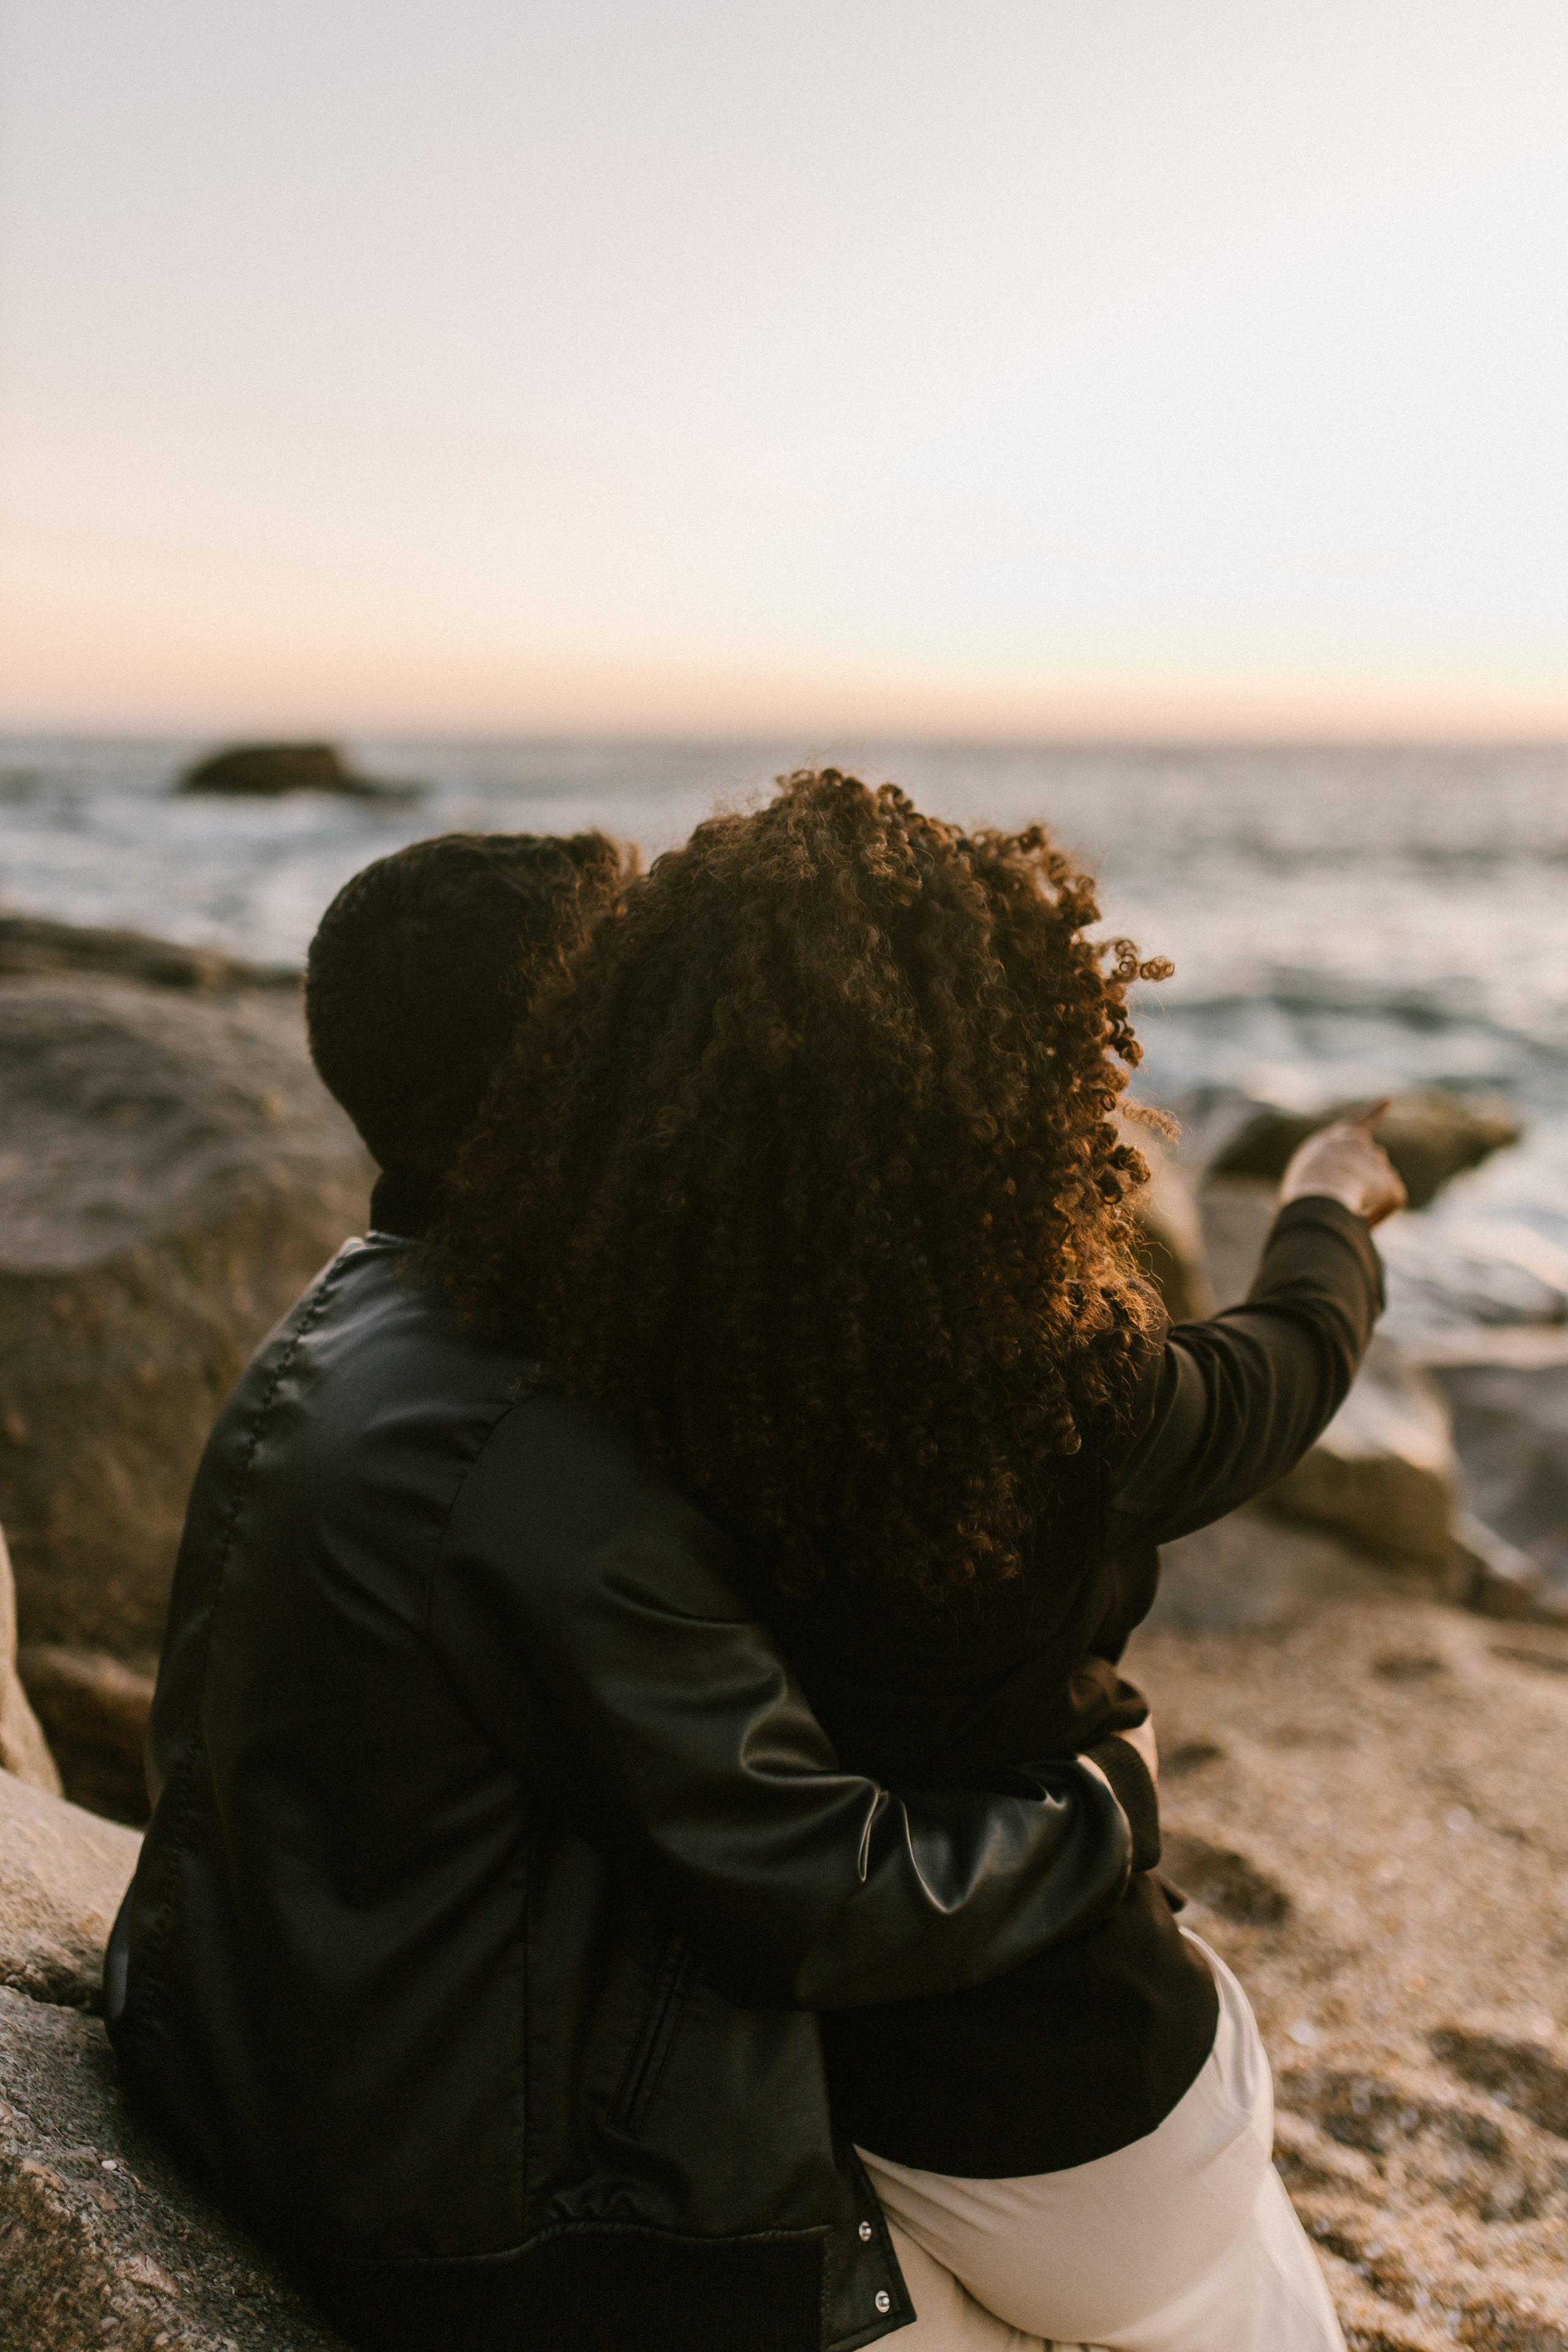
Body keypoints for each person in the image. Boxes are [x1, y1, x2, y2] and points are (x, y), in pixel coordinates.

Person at [104, 826, 1169, 2352]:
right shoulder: (530, 1433)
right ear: (602, 1056)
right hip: (515, 2230)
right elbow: (815, 1895)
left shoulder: (361, 1313)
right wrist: (1102, 1807)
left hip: (300, 2079)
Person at [440, 769, 1407, 2352]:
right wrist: (1327, 1207)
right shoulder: (1055, 1396)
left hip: (775, 2113)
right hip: (1078, 2124)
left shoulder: (581, 1363)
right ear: (1008, 1080)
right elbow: (1282, 1370)